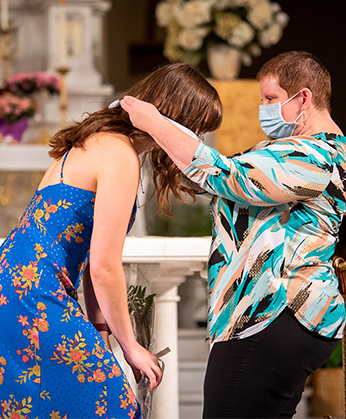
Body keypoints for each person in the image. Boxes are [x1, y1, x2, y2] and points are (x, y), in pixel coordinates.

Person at [120, 50, 346, 418]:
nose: (264, 109)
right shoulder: (287, 149)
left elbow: (229, 175)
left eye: (271, 99)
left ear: (304, 98)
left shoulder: (316, 156)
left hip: (276, 310)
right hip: (270, 316)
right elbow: (217, 177)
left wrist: (154, 121)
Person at [0, 62, 222, 418]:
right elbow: (104, 266)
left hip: (15, 285)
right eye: (197, 127)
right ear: (174, 115)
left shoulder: (93, 141)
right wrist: (130, 345)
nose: (195, 140)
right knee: (112, 406)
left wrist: (103, 329)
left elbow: (91, 261)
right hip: (35, 295)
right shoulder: (120, 154)